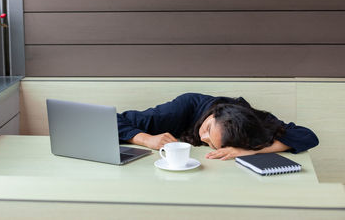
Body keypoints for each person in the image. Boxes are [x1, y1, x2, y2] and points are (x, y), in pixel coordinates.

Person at [117, 93, 319, 160]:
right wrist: (145, 138)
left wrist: (247, 152)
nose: (202, 136)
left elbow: (307, 136)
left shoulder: (252, 122)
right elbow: (113, 120)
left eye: (213, 143)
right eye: (207, 129)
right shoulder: (182, 108)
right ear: (213, 114)